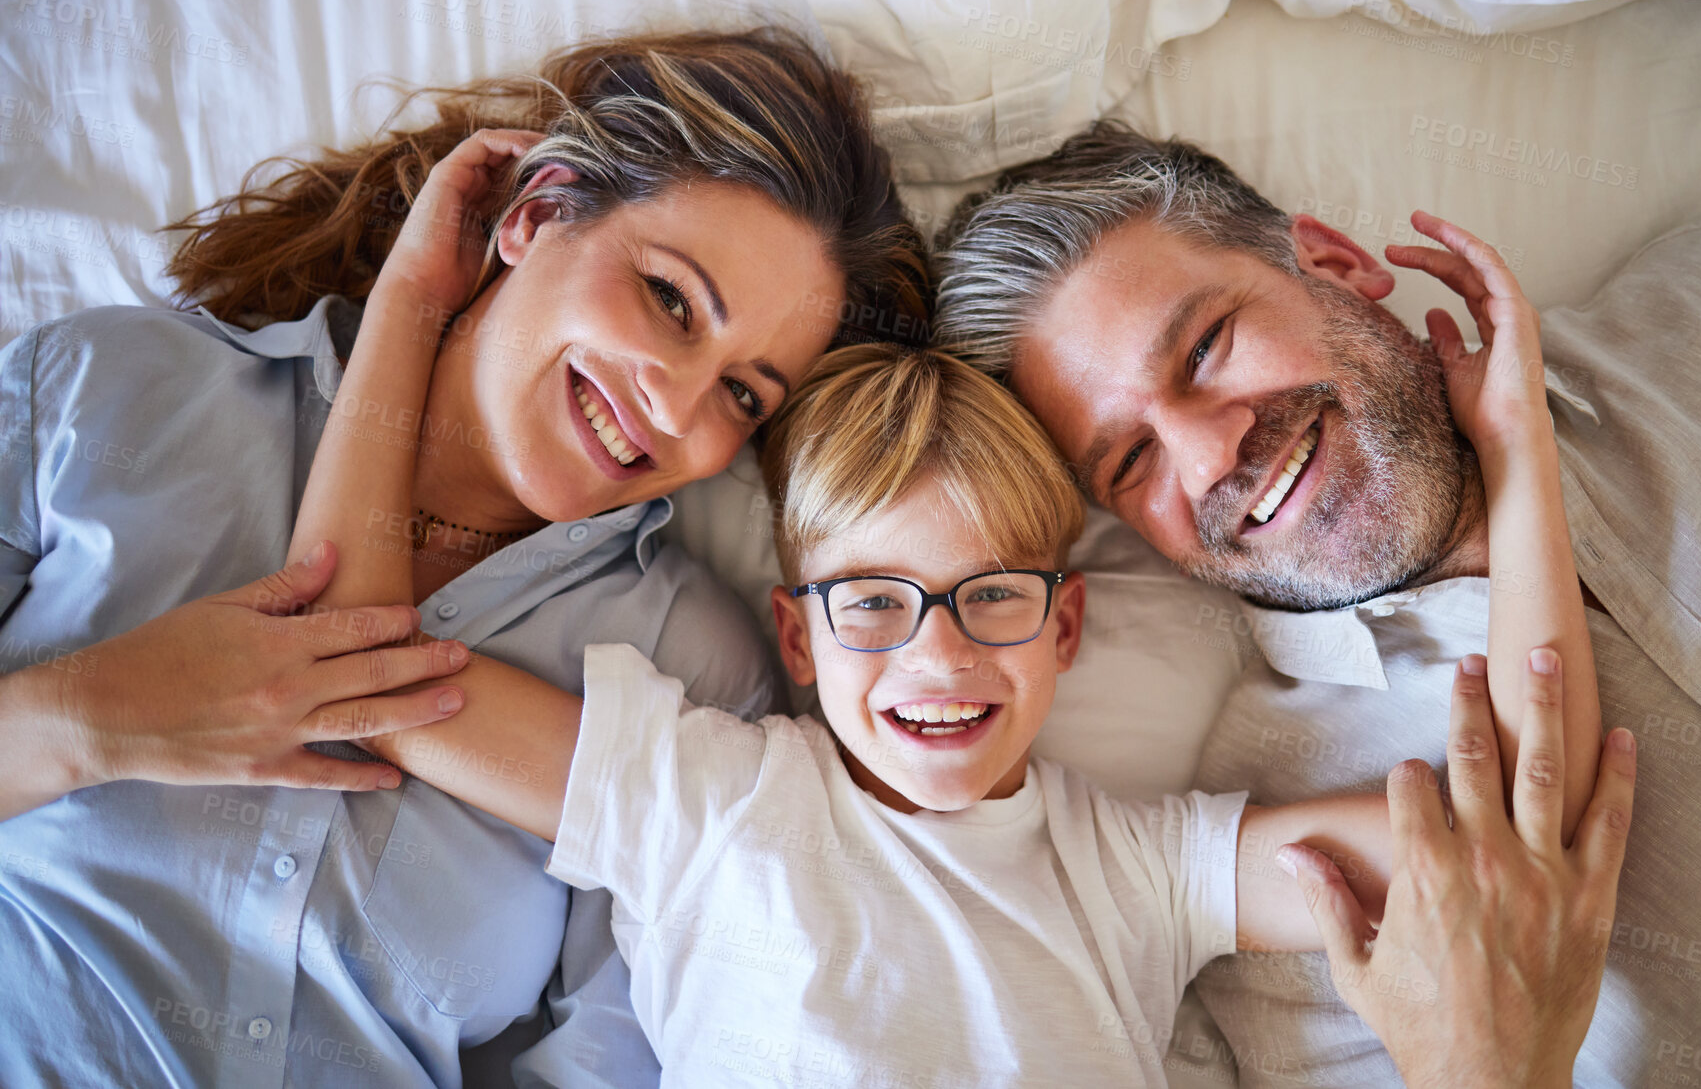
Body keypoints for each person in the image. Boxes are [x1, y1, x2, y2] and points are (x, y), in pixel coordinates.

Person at [290, 207, 1631, 1084]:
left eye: (990, 597)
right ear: (795, 636)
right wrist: (411, 302)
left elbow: (1509, 823)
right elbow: (362, 666)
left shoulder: (1138, 870)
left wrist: (1515, 456)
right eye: (870, 603)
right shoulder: (702, 802)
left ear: (1065, 624)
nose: (936, 661)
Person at [0, 29, 927, 1086]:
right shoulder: (109, 395)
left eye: (741, 394)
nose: (674, 405)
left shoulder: (691, 675)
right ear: (532, 216)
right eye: (669, 300)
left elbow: (621, 1053)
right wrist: (82, 719)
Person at [932, 121, 1701, 1086]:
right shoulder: (1302, 885)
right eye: (1132, 460)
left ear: (1333, 262)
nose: (1210, 456)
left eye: (1205, 348)